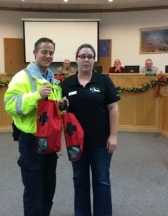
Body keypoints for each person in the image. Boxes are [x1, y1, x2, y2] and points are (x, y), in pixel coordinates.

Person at [4, 37, 65, 216]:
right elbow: (10, 105)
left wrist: (60, 105)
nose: (48, 56)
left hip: (50, 141)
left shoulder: (53, 80)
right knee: (33, 190)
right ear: (35, 53)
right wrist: (35, 95)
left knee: (48, 188)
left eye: (51, 53)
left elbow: (51, 112)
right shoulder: (22, 77)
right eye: (44, 52)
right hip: (31, 141)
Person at [61, 44, 120, 216]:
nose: (86, 60)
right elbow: (60, 111)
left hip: (101, 143)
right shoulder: (67, 83)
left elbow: (113, 109)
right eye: (82, 56)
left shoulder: (104, 81)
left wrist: (113, 135)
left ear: (94, 60)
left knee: (101, 181)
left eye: (89, 56)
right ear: (76, 59)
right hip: (75, 143)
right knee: (79, 180)